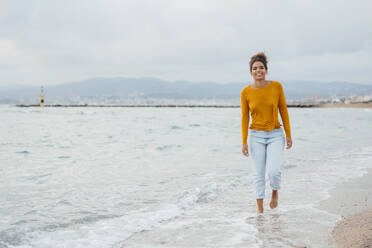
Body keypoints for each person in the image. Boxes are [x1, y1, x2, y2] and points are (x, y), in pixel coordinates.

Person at [240, 52, 292, 214]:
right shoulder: (245, 92)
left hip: (276, 134)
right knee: (258, 174)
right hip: (255, 136)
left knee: (274, 170)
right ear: (251, 72)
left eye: (261, 67)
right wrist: (244, 141)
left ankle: (275, 192)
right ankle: (260, 211)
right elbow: (244, 117)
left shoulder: (276, 86)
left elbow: (283, 110)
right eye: (255, 68)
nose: (258, 70)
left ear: (266, 70)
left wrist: (289, 134)